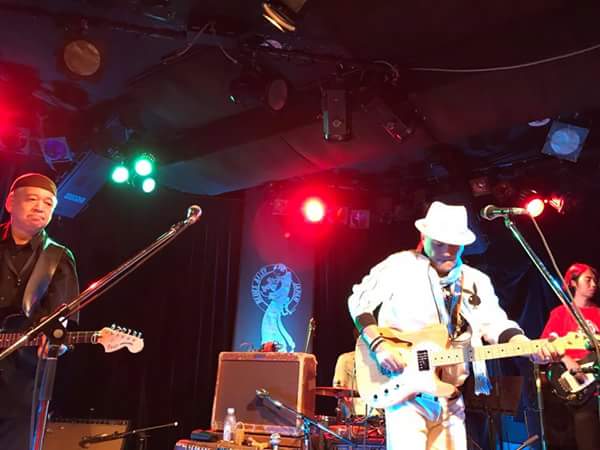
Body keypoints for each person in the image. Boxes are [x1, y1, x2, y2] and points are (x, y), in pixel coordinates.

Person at [348, 201, 560, 450]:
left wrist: (526, 346)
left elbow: (494, 323)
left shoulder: (474, 280)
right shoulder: (400, 266)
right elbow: (358, 302)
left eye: (454, 244)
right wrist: (379, 345)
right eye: (439, 243)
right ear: (424, 237)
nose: (447, 251)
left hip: (450, 396)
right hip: (406, 395)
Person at [0, 173, 79, 450]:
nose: (40, 207)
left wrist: (56, 341)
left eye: (48, 203)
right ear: (10, 202)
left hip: (23, 379)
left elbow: (61, 320)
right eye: (32, 199)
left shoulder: (58, 256)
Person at [540, 262, 600, 450]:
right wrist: (567, 360)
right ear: (573, 283)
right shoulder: (560, 313)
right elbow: (545, 345)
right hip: (577, 388)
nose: (594, 284)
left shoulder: (598, 313)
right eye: (588, 280)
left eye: (595, 281)